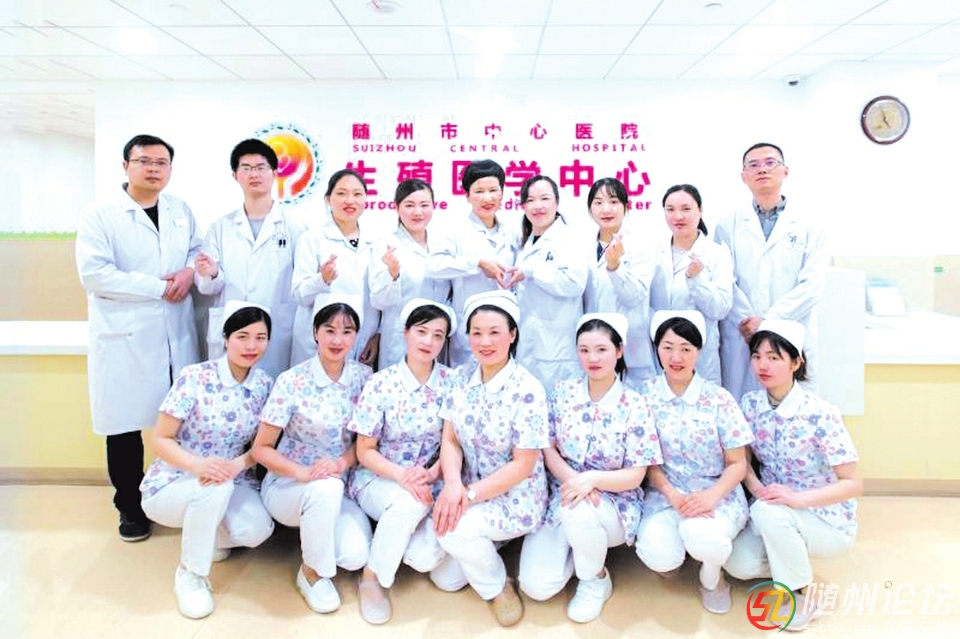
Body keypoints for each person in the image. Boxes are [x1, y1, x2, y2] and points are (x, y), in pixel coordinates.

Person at [76, 133, 201, 542]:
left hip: (174, 334)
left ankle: (182, 500)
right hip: (125, 338)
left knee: (182, 423)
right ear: (126, 166)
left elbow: (197, 251)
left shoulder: (179, 209)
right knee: (125, 428)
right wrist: (158, 287)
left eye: (161, 163)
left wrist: (188, 272)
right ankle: (129, 508)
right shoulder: (100, 214)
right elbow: (95, 274)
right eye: (144, 161)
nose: (153, 169)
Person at [518, 313, 662, 623]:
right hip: (564, 494)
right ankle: (583, 549)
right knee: (537, 586)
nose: (592, 358)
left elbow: (636, 474)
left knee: (580, 513)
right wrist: (575, 481)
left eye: (601, 349)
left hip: (613, 502)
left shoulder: (635, 404)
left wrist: (592, 480)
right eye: (584, 350)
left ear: (619, 351)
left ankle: (595, 579)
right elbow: (548, 447)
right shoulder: (563, 392)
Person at [725, 319, 862, 631]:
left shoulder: (820, 413)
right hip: (773, 508)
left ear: (796, 362)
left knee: (769, 513)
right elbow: (742, 460)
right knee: (738, 564)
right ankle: (790, 557)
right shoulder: (750, 405)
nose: (763, 365)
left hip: (825, 519)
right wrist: (757, 488)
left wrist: (796, 499)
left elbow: (853, 484)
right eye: (757, 356)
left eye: (774, 357)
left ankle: (797, 597)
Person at [140, 301, 276, 619]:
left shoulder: (265, 385)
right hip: (176, 479)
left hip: (232, 476)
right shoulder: (195, 377)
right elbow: (160, 438)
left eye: (260, 337)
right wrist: (199, 466)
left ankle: (205, 535)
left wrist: (236, 466)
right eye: (242, 336)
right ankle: (190, 574)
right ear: (225, 338)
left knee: (257, 529)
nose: (252, 346)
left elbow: (261, 446)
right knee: (214, 487)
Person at [432, 290, 549, 627]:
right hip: (468, 489)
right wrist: (452, 484)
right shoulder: (460, 378)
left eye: (495, 332)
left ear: (512, 335)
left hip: (515, 497)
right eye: (477, 332)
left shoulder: (528, 390)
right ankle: (493, 543)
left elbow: (523, 465)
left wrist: (467, 496)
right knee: (445, 579)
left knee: (452, 534)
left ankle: (499, 587)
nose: (485, 342)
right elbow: (450, 439)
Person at [252, 295, 374, 614]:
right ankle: (312, 573)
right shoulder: (292, 381)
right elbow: (261, 448)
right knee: (325, 487)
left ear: (356, 336)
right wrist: (304, 474)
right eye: (329, 330)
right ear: (315, 332)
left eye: (347, 331)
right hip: (289, 485)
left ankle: (316, 541)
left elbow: (365, 443)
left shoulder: (364, 378)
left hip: (340, 486)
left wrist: (341, 463)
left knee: (355, 556)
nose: (337, 339)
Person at [348, 298, 461, 624]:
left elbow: (453, 440)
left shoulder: (452, 382)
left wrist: (434, 472)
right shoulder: (380, 383)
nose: (428, 341)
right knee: (409, 503)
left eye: (438, 335)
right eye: (421, 331)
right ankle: (371, 579)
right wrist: (402, 475)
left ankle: (392, 543)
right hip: (379, 477)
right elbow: (364, 451)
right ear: (405, 332)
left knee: (423, 558)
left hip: (432, 480)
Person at [634, 310, 752, 615]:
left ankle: (711, 578)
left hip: (716, 495)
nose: (676, 357)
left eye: (686, 348)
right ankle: (678, 556)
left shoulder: (719, 398)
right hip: (665, 495)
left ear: (699, 351)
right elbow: (647, 462)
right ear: (657, 349)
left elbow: (737, 463)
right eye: (668, 347)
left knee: (703, 537)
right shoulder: (643, 398)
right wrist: (673, 495)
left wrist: (711, 497)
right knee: (658, 554)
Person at [714, 143, 828, 400]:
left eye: (770, 163)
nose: (762, 170)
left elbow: (812, 286)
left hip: (791, 329)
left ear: (785, 171)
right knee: (742, 409)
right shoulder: (727, 226)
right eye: (753, 165)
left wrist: (768, 322)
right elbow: (724, 282)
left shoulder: (809, 225)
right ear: (744, 176)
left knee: (793, 410)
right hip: (742, 333)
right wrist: (750, 323)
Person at [195, 138, 306, 378]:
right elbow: (207, 287)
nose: (254, 174)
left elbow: (303, 284)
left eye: (260, 167)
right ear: (235, 175)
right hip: (232, 329)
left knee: (274, 390)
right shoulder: (220, 227)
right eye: (246, 168)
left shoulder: (296, 227)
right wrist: (211, 273)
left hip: (277, 328)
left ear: (274, 173)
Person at [427, 159, 518, 367]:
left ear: (502, 193)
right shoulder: (454, 230)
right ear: (467, 195)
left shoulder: (511, 232)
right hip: (468, 332)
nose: (487, 198)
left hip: (505, 329)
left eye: (493, 190)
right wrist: (477, 263)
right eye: (479, 191)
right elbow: (433, 266)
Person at [292, 169, 380, 367]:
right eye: (341, 193)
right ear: (328, 199)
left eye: (357, 194)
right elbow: (299, 294)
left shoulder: (376, 242)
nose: (350, 200)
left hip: (363, 342)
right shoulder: (312, 239)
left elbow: (380, 297)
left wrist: (377, 334)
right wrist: (321, 280)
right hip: (318, 344)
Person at [651, 184, 733, 385]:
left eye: (686, 209)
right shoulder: (653, 252)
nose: (678, 216)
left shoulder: (717, 254)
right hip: (660, 354)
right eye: (670, 209)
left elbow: (720, 308)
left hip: (700, 357)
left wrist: (697, 279)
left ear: (700, 210)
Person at [511, 175, 588, 389]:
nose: (538, 206)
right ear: (523, 206)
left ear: (557, 202)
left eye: (544, 198)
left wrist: (532, 270)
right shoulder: (526, 241)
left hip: (559, 347)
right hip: (528, 343)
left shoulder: (570, 237)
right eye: (530, 200)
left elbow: (574, 284)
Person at [369, 179, 452, 370]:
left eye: (424, 205)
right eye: (409, 205)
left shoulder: (444, 245)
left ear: (433, 206)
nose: (418, 212)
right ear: (397, 207)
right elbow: (379, 302)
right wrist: (392, 274)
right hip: (399, 340)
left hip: (437, 340)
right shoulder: (385, 246)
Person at [583, 177, 657, 387]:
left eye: (614, 202)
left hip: (632, 346)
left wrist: (615, 266)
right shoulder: (583, 246)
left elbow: (633, 296)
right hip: (593, 346)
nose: (606, 209)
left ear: (626, 206)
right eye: (598, 203)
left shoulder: (642, 245)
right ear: (590, 209)